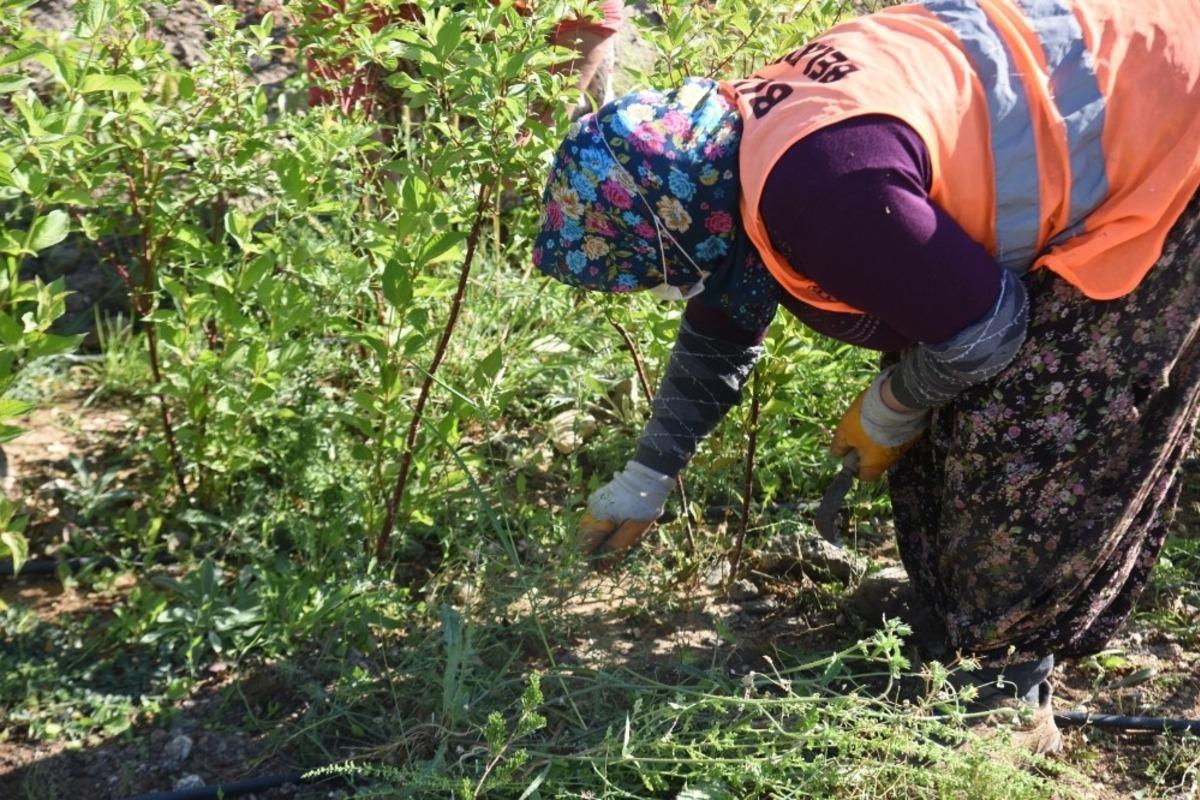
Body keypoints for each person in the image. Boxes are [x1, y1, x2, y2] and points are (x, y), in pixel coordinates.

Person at [532, 0, 1200, 754]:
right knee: (951, 377)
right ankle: (952, 619)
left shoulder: (821, 191)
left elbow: (989, 329)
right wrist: (648, 475)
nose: (660, 289)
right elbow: (723, 324)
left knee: (1029, 426)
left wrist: (895, 402)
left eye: (652, 272)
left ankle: (1003, 693)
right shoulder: (729, 159)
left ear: (676, 218)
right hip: (1112, 80)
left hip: (1167, 128)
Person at [304, 0, 624, 117]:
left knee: (584, 105)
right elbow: (336, 59)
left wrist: (534, 137)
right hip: (416, 52)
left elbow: (593, 17)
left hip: (531, 48)